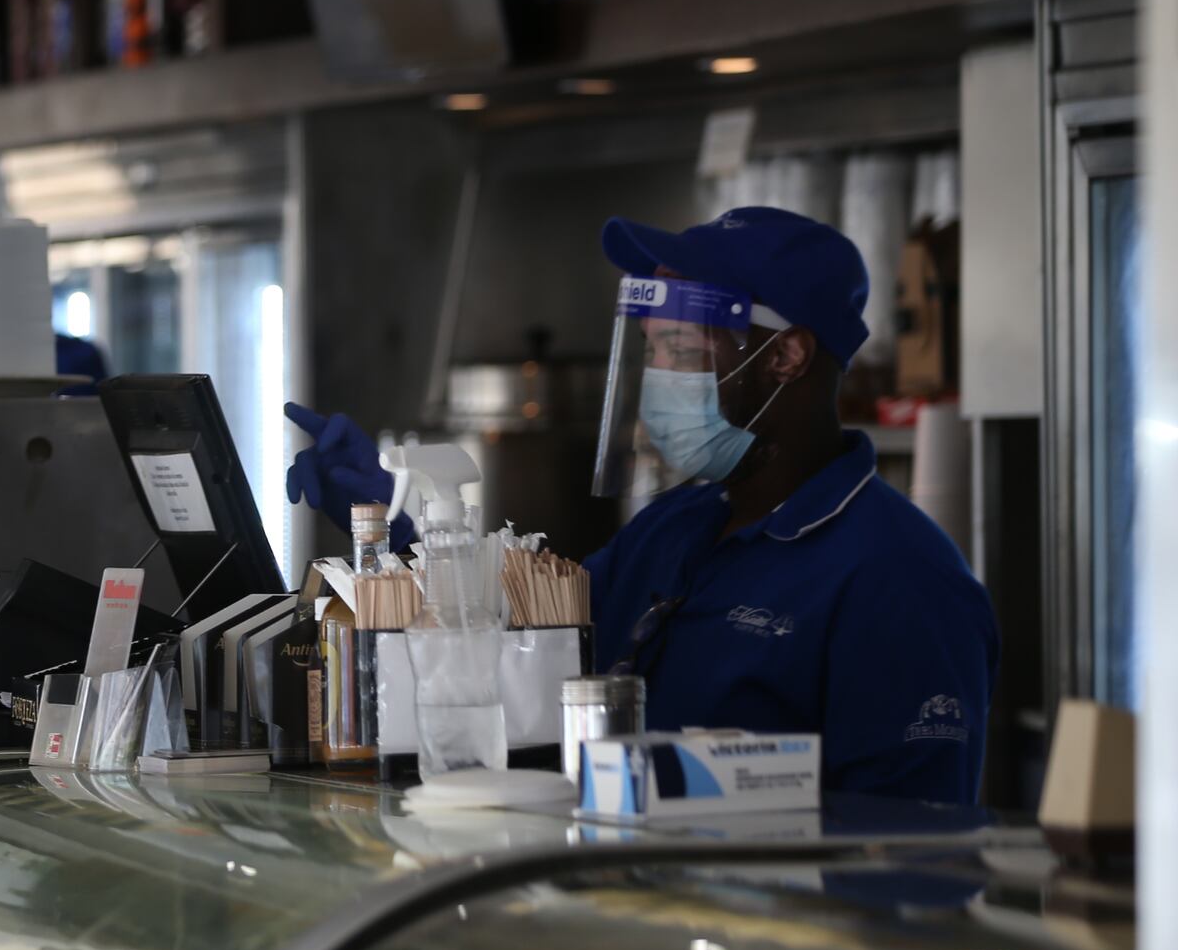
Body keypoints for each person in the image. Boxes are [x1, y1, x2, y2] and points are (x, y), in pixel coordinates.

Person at [288, 206, 998, 804]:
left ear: (785, 358)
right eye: (652, 353)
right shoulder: (674, 531)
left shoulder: (900, 580)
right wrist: (401, 522)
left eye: (682, 351)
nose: (660, 383)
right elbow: (522, 647)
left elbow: (906, 855)